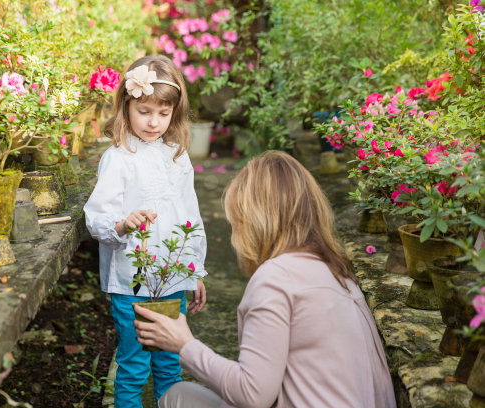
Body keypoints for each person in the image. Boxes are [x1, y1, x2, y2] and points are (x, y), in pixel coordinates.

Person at [133, 151, 397, 408]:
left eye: (235, 223)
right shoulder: (338, 272)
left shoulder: (275, 279)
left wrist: (185, 345)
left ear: (253, 221)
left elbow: (252, 395)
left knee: (176, 395)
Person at [83, 54, 208, 408]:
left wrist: (194, 271)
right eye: (144, 112)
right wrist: (123, 224)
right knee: (135, 365)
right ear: (126, 107)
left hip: (172, 279)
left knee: (170, 362)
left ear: (174, 113)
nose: (154, 122)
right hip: (131, 283)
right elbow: (96, 217)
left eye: (163, 114)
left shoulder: (177, 156)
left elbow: (190, 215)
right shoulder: (119, 157)